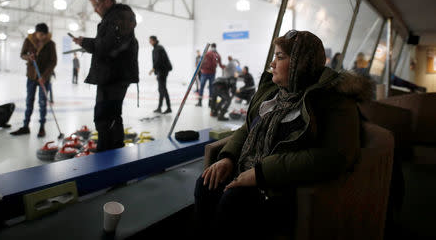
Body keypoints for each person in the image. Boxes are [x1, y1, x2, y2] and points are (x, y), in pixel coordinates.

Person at [195, 30, 372, 238]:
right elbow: (248, 128)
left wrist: (262, 173)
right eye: (274, 56)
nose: (272, 64)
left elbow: (335, 156)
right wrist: (228, 157)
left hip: (281, 185)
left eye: (280, 57)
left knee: (234, 201)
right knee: (205, 185)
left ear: (302, 63)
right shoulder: (274, 92)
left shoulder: (333, 101)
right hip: (249, 168)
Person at [72, 0, 139, 152]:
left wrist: (85, 42)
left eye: (97, 5)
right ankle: (113, 154)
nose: (95, 10)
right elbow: (109, 44)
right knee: (112, 116)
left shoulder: (117, 17)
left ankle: (107, 157)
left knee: (105, 117)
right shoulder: (117, 17)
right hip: (114, 75)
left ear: (107, 1)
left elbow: (106, 46)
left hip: (112, 76)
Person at [11, 23, 57, 138]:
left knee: (42, 103)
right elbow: (22, 55)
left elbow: (53, 61)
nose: (43, 37)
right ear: (36, 33)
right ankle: (26, 126)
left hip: (44, 78)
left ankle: (42, 127)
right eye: (41, 34)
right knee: (29, 101)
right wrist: (28, 57)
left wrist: (45, 76)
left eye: (45, 35)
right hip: (31, 76)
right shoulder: (28, 41)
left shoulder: (51, 44)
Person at [149, 36, 172, 114]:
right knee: (161, 89)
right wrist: (156, 72)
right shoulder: (157, 48)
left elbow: (158, 61)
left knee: (163, 89)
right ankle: (160, 107)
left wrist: (153, 69)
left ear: (154, 41)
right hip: (161, 71)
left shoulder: (158, 48)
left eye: (151, 41)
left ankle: (169, 108)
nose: (150, 42)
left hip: (163, 71)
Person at [197, 43, 225, 107]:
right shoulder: (215, 54)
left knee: (205, 87)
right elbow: (220, 65)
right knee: (208, 88)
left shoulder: (211, 54)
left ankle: (203, 102)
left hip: (207, 73)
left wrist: (200, 68)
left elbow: (202, 62)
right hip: (209, 73)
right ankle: (206, 103)